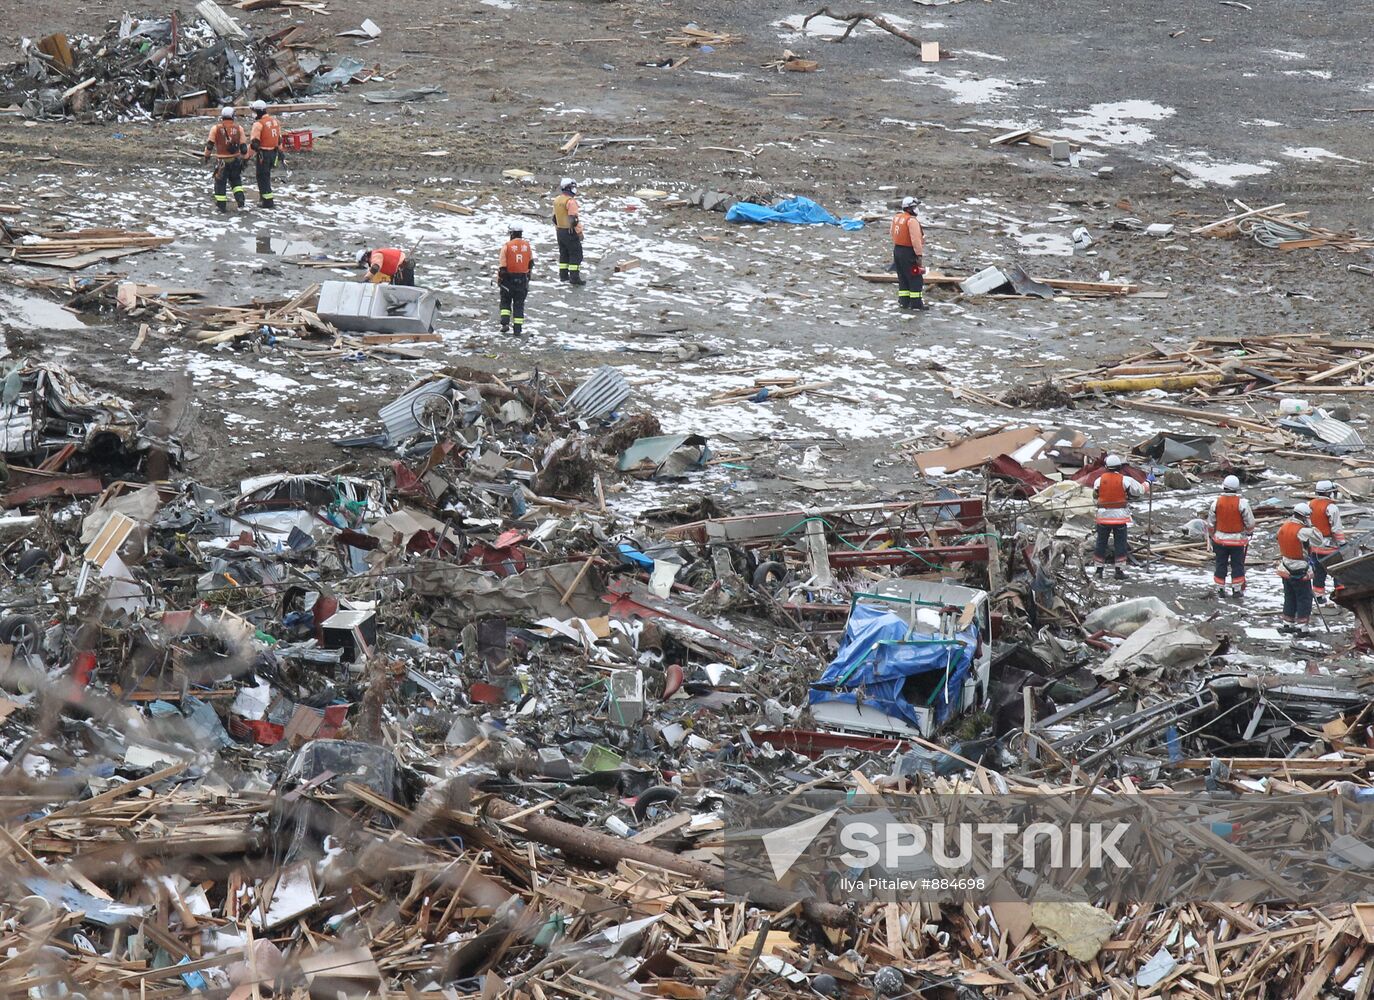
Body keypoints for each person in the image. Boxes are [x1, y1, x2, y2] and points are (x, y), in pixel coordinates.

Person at [1093, 454, 1144, 580]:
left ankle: (1099, 571)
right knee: (1120, 544)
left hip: (1103, 517)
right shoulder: (1125, 480)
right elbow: (1139, 491)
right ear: (1119, 467)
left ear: (1106, 467)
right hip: (1120, 518)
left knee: (1101, 543)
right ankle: (1119, 571)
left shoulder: (1098, 480)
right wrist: (1148, 483)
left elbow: (1095, 495)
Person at [1277, 503, 1322, 636]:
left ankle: (1288, 623)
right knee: (1304, 598)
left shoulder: (1284, 527)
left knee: (1289, 596)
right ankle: (1302, 627)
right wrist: (1311, 525)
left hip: (1285, 566)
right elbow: (1319, 539)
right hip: (1299, 567)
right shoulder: (1302, 530)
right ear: (1305, 517)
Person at [1206, 475, 1254, 599]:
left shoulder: (1216, 502)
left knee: (1220, 564)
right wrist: (1249, 532)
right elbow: (1250, 521)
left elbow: (1211, 522)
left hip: (1220, 540)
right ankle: (1236, 590)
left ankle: (1220, 588)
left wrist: (1212, 534)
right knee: (1237, 565)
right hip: (1237, 541)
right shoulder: (1242, 503)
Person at [203, 106, 248, 213]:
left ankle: (221, 206)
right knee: (236, 182)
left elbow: (209, 145)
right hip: (235, 161)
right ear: (233, 116)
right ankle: (241, 202)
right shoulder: (239, 128)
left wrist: (207, 156)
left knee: (220, 184)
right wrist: (244, 160)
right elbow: (244, 148)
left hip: (222, 162)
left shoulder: (215, 129)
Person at [1309, 480, 1346, 601]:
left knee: (1318, 571)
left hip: (1313, 545)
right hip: (1329, 546)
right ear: (1328, 493)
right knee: (1338, 570)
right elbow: (1336, 528)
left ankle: (1319, 596)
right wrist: (1342, 544)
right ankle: (1340, 593)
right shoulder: (1331, 507)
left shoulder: (1310, 504)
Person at [497, 224, 534, 335]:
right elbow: (530, 263)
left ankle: (505, 323)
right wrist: (528, 277)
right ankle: (517, 328)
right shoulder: (527, 246)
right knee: (519, 304)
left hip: (508, 279)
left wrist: (500, 279)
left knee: (505, 302)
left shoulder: (507, 246)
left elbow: (502, 266)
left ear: (512, 234)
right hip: (522, 280)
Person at [890, 196, 925, 311]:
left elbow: (892, 233)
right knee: (915, 278)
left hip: (897, 250)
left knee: (903, 277)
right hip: (908, 252)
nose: (917, 209)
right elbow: (916, 240)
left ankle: (904, 302)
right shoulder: (912, 221)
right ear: (909, 208)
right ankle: (916, 304)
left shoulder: (897, 218)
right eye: (915, 207)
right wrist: (919, 255)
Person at [248, 99, 281, 209]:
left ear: (257, 111)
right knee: (266, 176)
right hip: (273, 153)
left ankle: (267, 201)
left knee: (262, 177)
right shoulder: (275, 121)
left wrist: (246, 156)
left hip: (263, 154)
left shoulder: (258, 124)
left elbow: (254, 143)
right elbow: (279, 139)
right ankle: (265, 198)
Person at [552, 178, 584, 285]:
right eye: (573, 187)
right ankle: (574, 278)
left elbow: (554, 218)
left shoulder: (557, 200)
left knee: (564, 254)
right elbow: (573, 219)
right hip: (570, 232)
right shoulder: (570, 201)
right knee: (576, 254)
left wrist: (558, 228)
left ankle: (563, 276)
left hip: (560, 231)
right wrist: (579, 232)